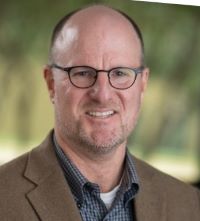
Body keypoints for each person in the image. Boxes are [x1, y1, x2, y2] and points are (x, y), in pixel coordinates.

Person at [0, 4, 199, 221]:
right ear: (51, 83)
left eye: (120, 73)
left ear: (142, 84)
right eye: (83, 73)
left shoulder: (189, 205)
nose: (102, 94)